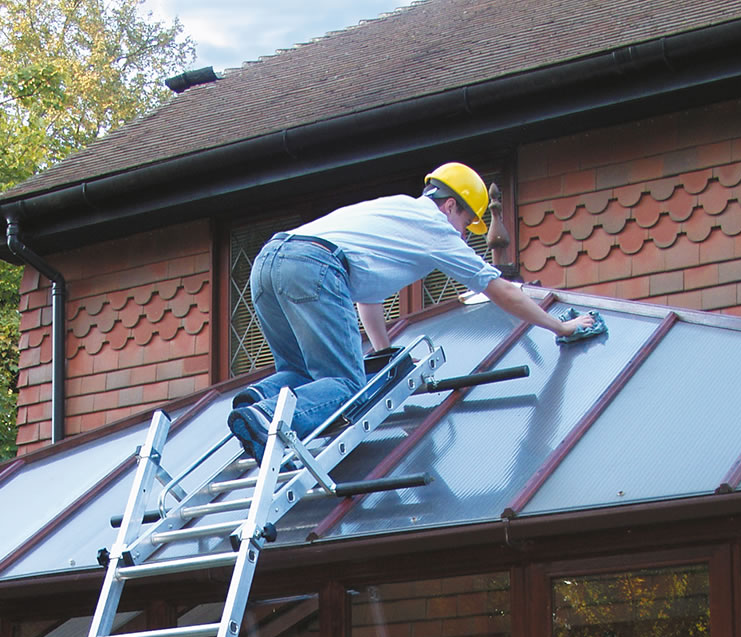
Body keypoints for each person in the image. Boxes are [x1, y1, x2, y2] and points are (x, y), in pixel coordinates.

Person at [228, 162, 600, 461]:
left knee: (299, 374)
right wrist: (560, 328)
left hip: (269, 263)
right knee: (347, 387)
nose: (467, 233)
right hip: (315, 266)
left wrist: (386, 355)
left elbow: (367, 301)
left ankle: (254, 405)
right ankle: (265, 420)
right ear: (450, 205)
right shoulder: (436, 229)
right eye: (468, 221)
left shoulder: (392, 211)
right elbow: (499, 289)